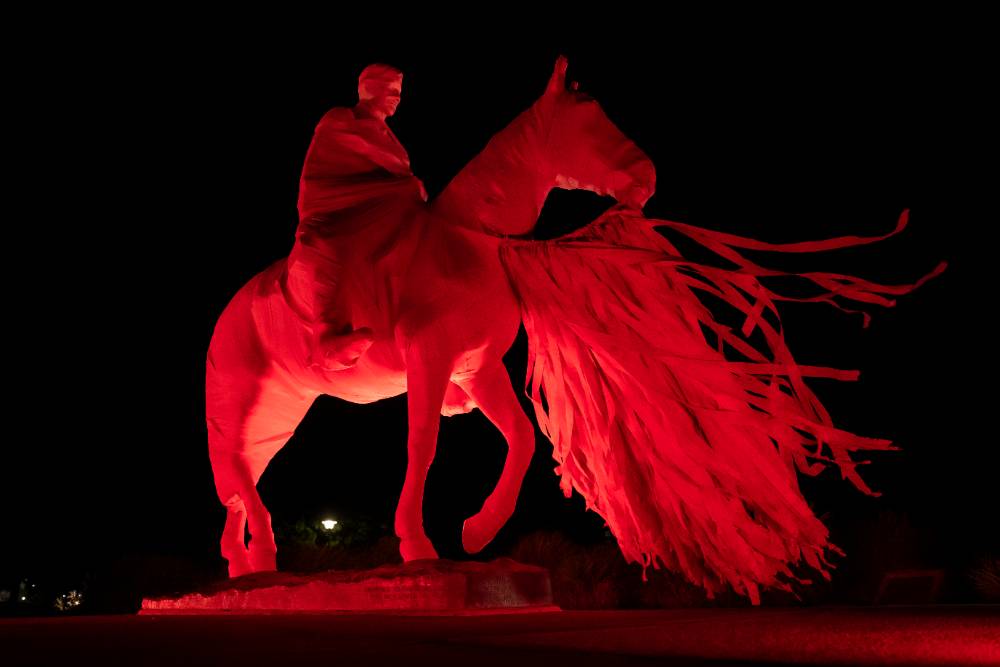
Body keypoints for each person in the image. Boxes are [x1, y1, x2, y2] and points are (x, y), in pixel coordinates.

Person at [283, 63, 427, 371]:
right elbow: (386, 161)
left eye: (399, 93)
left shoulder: (385, 133)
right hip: (335, 209)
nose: (397, 98)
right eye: (391, 91)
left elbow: (396, 168)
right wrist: (406, 183)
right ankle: (326, 335)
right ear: (369, 89)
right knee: (332, 248)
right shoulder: (341, 119)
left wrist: (407, 186)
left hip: (375, 206)